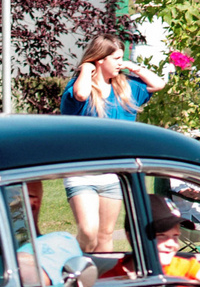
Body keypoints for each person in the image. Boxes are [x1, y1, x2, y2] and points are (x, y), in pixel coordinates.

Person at [60, 35, 165, 252]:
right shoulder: (80, 88)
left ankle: (103, 281)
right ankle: (74, 267)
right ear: (100, 59)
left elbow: (158, 84)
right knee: (88, 232)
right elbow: (80, 94)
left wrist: (133, 67)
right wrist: (86, 70)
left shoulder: (126, 88)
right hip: (82, 172)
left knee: (106, 234)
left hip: (114, 173)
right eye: (116, 58)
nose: (120, 63)